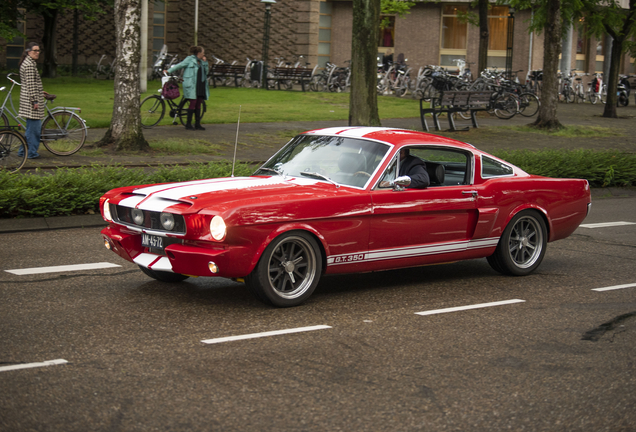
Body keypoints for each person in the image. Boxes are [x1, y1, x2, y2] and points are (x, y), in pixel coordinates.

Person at [166, 46, 209, 130]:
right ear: (199, 53)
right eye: (203, 52)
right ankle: (188, 124)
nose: (204, 54)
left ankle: (197, 124)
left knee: (198, 104)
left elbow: (206, 72)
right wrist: (169, 71)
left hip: (201, 84)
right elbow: (180, 65)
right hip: (192, 84)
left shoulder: (202, 61)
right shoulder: (190, 59)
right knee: (193, 103)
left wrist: (205, 63)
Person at [18, 42, 47, 159]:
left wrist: (40, 92)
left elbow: (32, 84)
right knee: (34, 130)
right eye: (35, 50)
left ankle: (22, 151)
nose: (37, 53)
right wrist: (35, 100)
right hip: (30, 102)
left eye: (38, 50)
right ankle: (31, 153)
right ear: (28, 51)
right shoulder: (29, 65)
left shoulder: (28, 63)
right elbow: (30, 85)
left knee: (30, 128)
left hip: (27, 99)